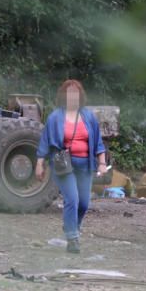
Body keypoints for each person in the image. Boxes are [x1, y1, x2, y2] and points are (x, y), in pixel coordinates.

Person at [35, 80, 109, 254]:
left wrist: (102, 163)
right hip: (63, 163)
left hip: (85, 164)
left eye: (75, 93)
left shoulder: (88, 116)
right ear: (64, 96)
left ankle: (71, 227)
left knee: (83, 203)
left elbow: (98, 142)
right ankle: (73, 239)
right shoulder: (55, 117)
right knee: (72, 200)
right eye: (69, 94)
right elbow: (45, 142)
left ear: (80, 96)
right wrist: (39, 163)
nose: (72, 97)